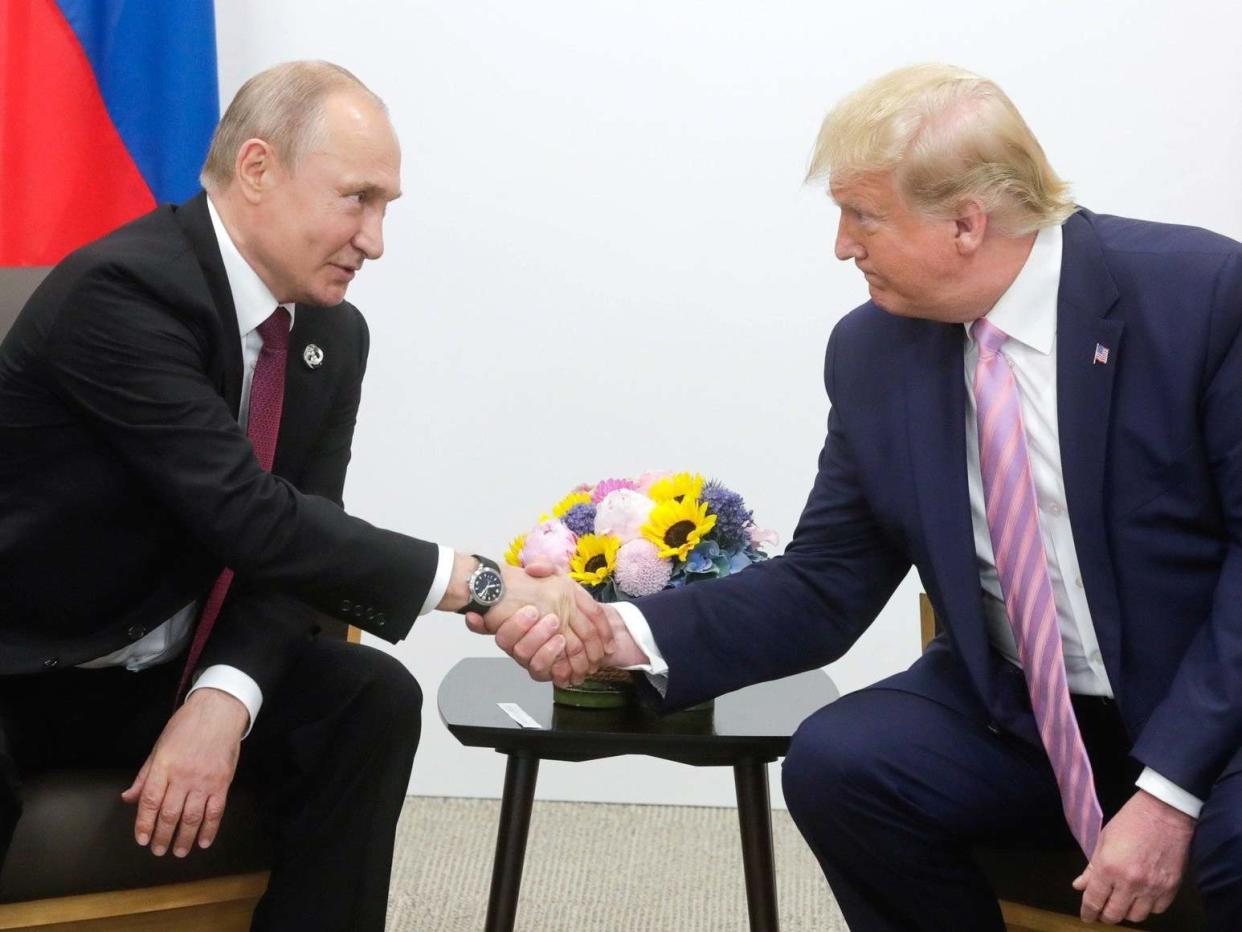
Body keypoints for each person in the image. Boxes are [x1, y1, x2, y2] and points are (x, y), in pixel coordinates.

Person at [476, 64, 1242, 930]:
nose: (843, 245)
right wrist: (621, 633)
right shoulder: (875, 352)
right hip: (1023, 713)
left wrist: (1171, 789)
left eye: (864, 216)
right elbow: (826, 581)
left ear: (965, 222)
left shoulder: (1199, 297)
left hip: (1213, 715)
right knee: (841, 766)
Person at [0, 60, 608, 931]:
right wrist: (485, 582)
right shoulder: (123, 294)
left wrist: (225, 695)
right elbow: (250, 515)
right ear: (257, 170)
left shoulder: (329, 333)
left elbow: (297, 547)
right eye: (356, 199)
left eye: (387, 206)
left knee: (368, 703)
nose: (376, 238)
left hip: (153, 665)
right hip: (18, 664)